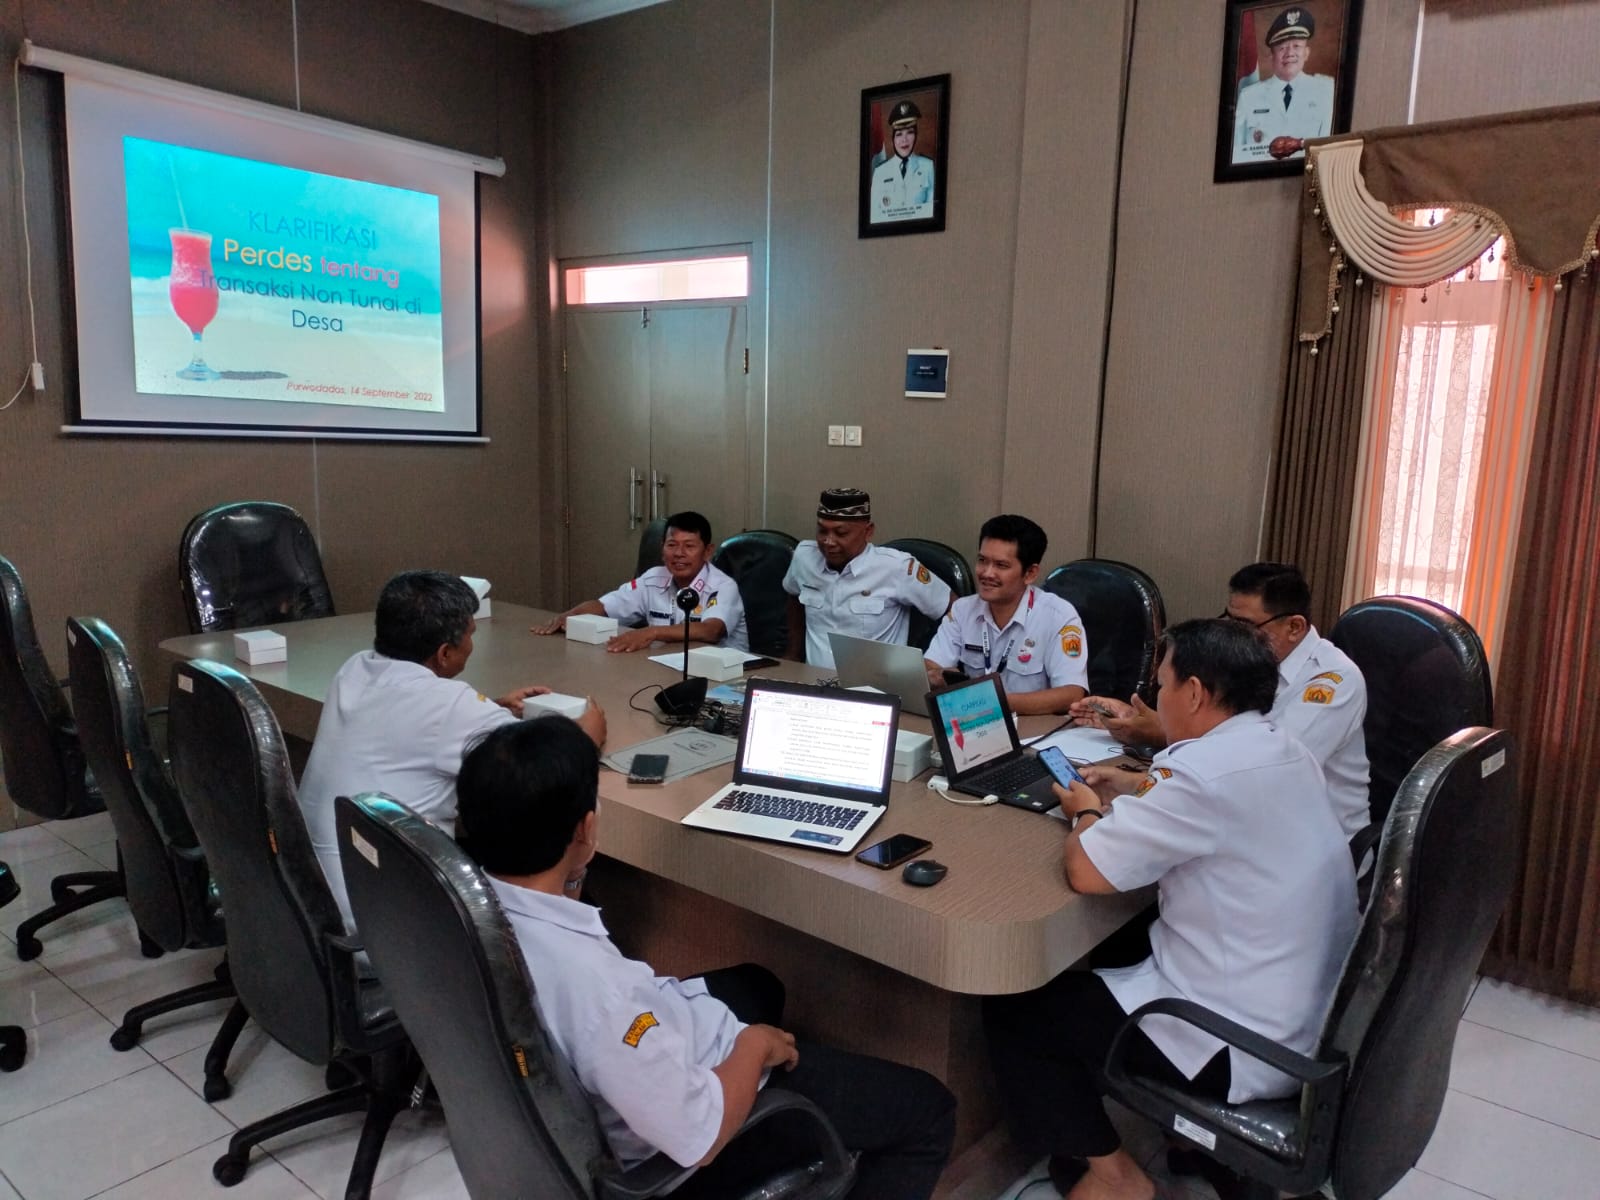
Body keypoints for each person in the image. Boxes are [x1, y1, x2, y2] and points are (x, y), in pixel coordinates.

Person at [455, 717, 956, 1200]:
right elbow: (701, 1133)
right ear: (584, 831)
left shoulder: (473, 907)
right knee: (929, 1110)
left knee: (758, 985)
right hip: (686, 1146)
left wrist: (571, 879)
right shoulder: (599, 991)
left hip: (652, 1044)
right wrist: (754, 1048)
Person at [986, 619, 1358, 1200]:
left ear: (1195, 693)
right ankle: (1187, 1145)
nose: (1156, 698)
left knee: (1020, 1011)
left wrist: (1085, 810)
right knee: (1121, 943)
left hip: (1238, 1039)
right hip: (1308, 1018)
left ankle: (1115, 1177)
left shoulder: (1202, 772)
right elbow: (1222, 805)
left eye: (1161, 685)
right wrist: (1131, 789)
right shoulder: (1281, 747)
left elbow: (1086, 871)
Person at [296, 569, 606, 932]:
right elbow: (540, 765)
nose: (472, 645)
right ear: (444, 653)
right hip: (391, 928)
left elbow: (413, 721)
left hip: (318, 898)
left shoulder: (354, 669)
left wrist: (490, 707)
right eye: (470, 635)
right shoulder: (449, 706)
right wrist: (586, 738)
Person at [1072, 562, 1370, 836]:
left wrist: (1159, 731)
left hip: (1310, 839)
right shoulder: (1243, 663)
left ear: (1294, 627)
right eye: (1230, 620)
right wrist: (1138, 720)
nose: (1234, 634)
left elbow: (1262, 770)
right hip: (1239, 816)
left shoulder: (1335, 680)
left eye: (1247, 625)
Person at [923, 515, 1088, 716]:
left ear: (1030, 573)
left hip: (1033, 732)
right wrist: (937, 675)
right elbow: (931, 665)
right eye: (982, 561)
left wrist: (992, 702)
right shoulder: (962, 610)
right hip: (973, 724)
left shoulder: (1059, 616)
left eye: (1001, 565)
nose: (987, 573)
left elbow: (1072, 694)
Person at [532, 511, 749, 653]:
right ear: (662, 547)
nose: (679, 554)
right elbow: (605, 606)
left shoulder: (722, 586)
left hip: (724, 676)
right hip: (666, 667)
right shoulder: (653, 578)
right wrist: (568, 616)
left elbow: (710, 631)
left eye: (689, 546)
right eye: (672, 545)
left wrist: (651, 632)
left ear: (708, 551)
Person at [781, 488, 951, 668]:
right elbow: (794, 597)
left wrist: (934, 662)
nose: (829, 542)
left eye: (841, 533)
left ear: (868, 532)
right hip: (813, 683)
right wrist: (793, 653)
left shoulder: (896, 568)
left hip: (874, 688)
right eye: (822, 531)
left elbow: (954, 610)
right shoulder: (804, 557)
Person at [1233, 7, 1335, 164]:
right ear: (1271, 56)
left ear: (1307, 53)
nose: (1289, 53)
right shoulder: (1248, 97)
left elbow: (1329, 150)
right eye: (1282, 47)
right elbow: (1236, 154)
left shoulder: (1326, 90)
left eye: (1296, 46)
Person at [869, 99, 936, 223]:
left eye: (910, 133)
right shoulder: (880, 171)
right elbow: (874, 215)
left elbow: (932, 211)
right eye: (899, 134)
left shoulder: (928, 166)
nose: (904, 140)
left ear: (916, 136)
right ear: (893, 139)